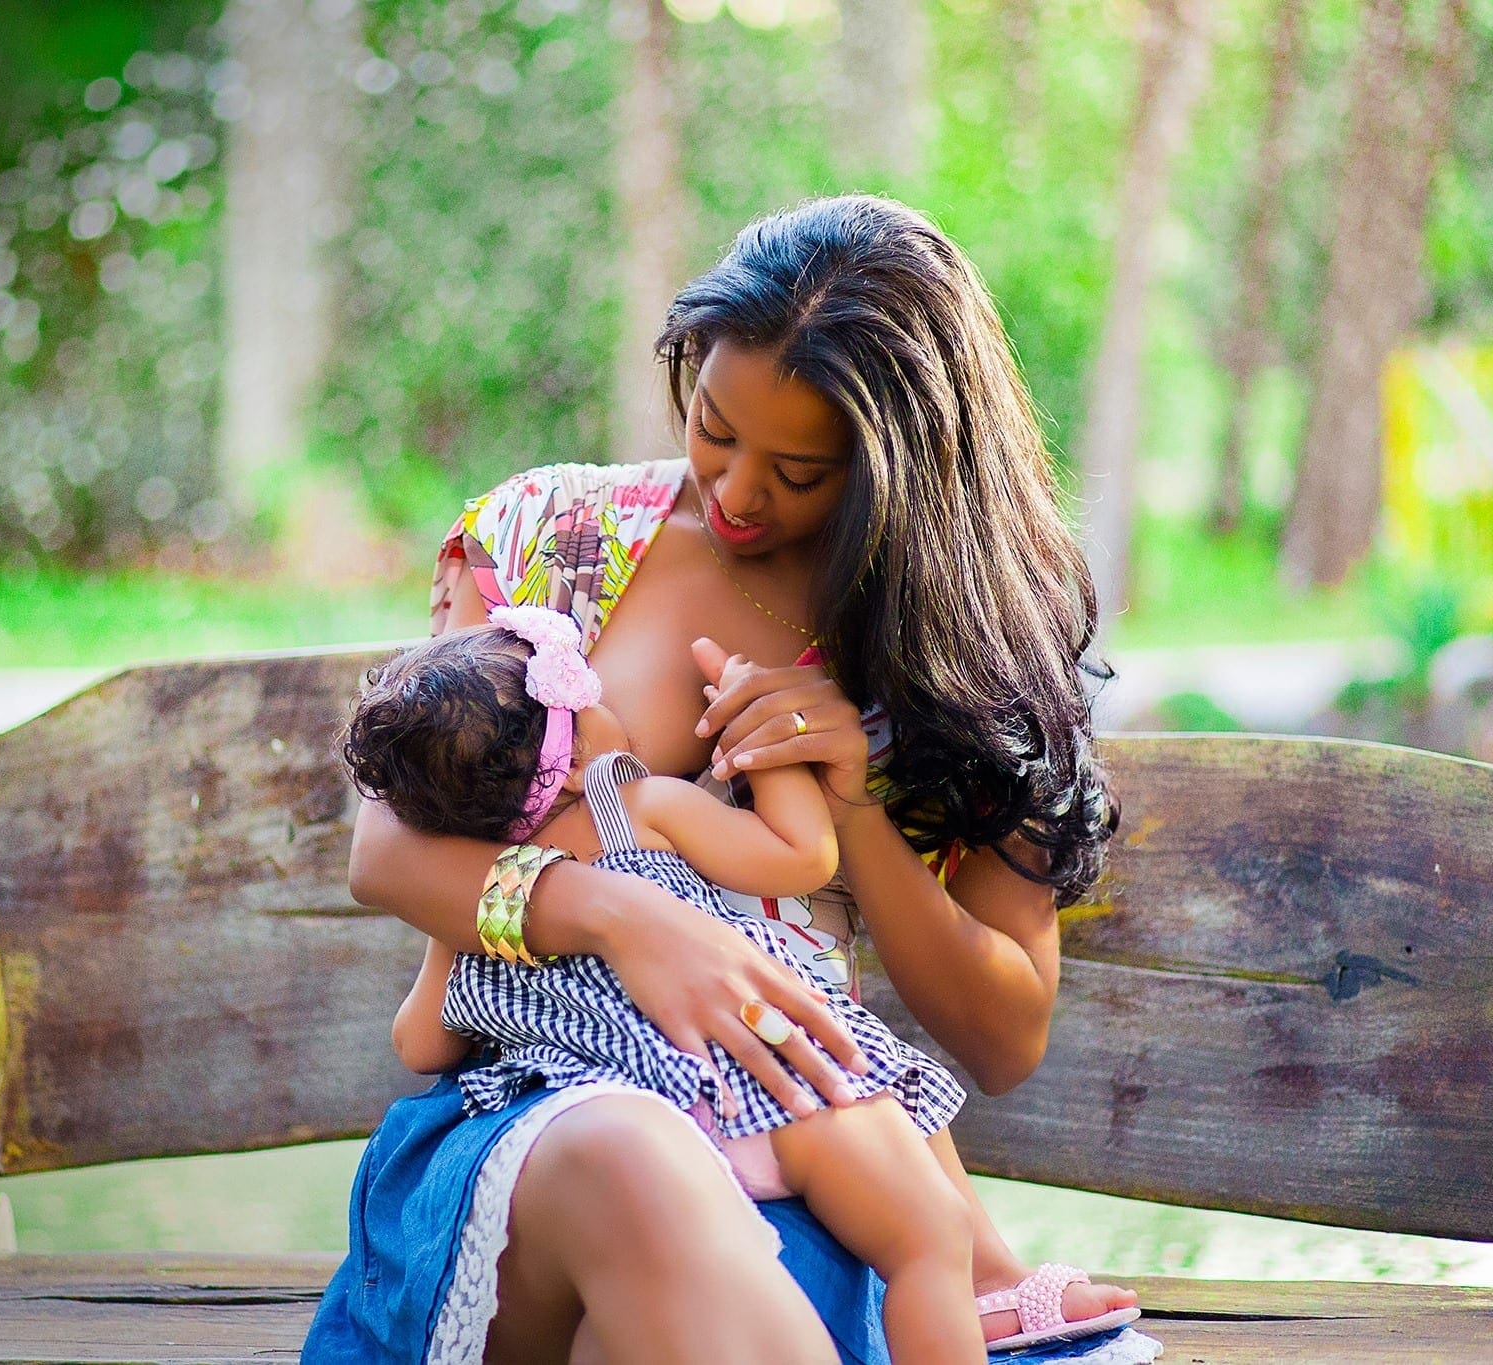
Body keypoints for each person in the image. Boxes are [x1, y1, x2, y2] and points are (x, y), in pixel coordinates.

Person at [302, 195, 1140, 1365]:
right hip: (537, 1124)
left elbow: (1002, 1038)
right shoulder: (557, 536)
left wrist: (849, 801)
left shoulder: (962, 644)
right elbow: (386, 855)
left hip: (798, 1151)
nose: (738, 493)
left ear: (905, 468)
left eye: (799, 470)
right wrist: (623, 913)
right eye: (711, 428)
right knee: (638, 1169)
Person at [340, 607, 1141, 1362]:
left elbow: (420, 1040)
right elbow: (800, 856)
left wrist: (460, 944)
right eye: (594, 696)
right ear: (580, 759)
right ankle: (965, 1314)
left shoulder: (484, 914)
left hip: (653, 1128)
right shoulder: (637, 806)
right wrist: (760, 746)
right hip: (778, 1083)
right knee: (928, 1237)